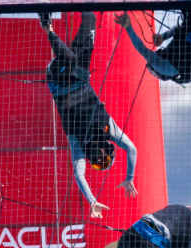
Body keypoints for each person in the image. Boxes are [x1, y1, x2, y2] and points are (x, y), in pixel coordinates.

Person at [40, 11, 139, 218]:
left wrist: (92, 201)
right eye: (100, 158)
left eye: (95, 161)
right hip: (80, 74)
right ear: (107, 150)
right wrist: (130, 178)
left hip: (58, 81)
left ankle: (47, 27)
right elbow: (132, 148)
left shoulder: (78, 145)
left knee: (69, 59)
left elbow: (79, 175)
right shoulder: (109, 130)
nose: (95, 157)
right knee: (90, 19)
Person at [115, 10, 191, 85]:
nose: (156, 53)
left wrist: (163, 37)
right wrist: (128, 27)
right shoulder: (163, 68)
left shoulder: (177, 69)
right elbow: (142, 50)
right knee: (190, 16)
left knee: (189, 20)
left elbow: (181, 29)